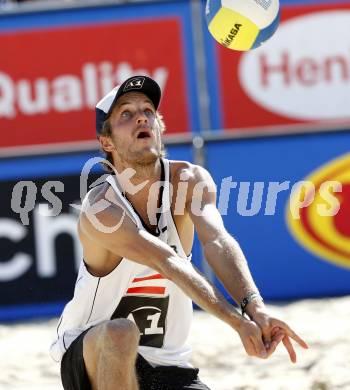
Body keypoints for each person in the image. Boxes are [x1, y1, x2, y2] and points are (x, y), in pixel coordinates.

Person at [50, 75, 308, 390]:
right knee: (121, 333)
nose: (142, 116)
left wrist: (256, 310)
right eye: (126, 114)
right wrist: (237, 322)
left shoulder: (189, 180)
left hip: (167, 366)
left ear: (160, 128)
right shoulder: (102, 208)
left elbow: (217, 241)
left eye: (148, 110)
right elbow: (167, 262)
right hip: (92, 359)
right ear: (106, 142)